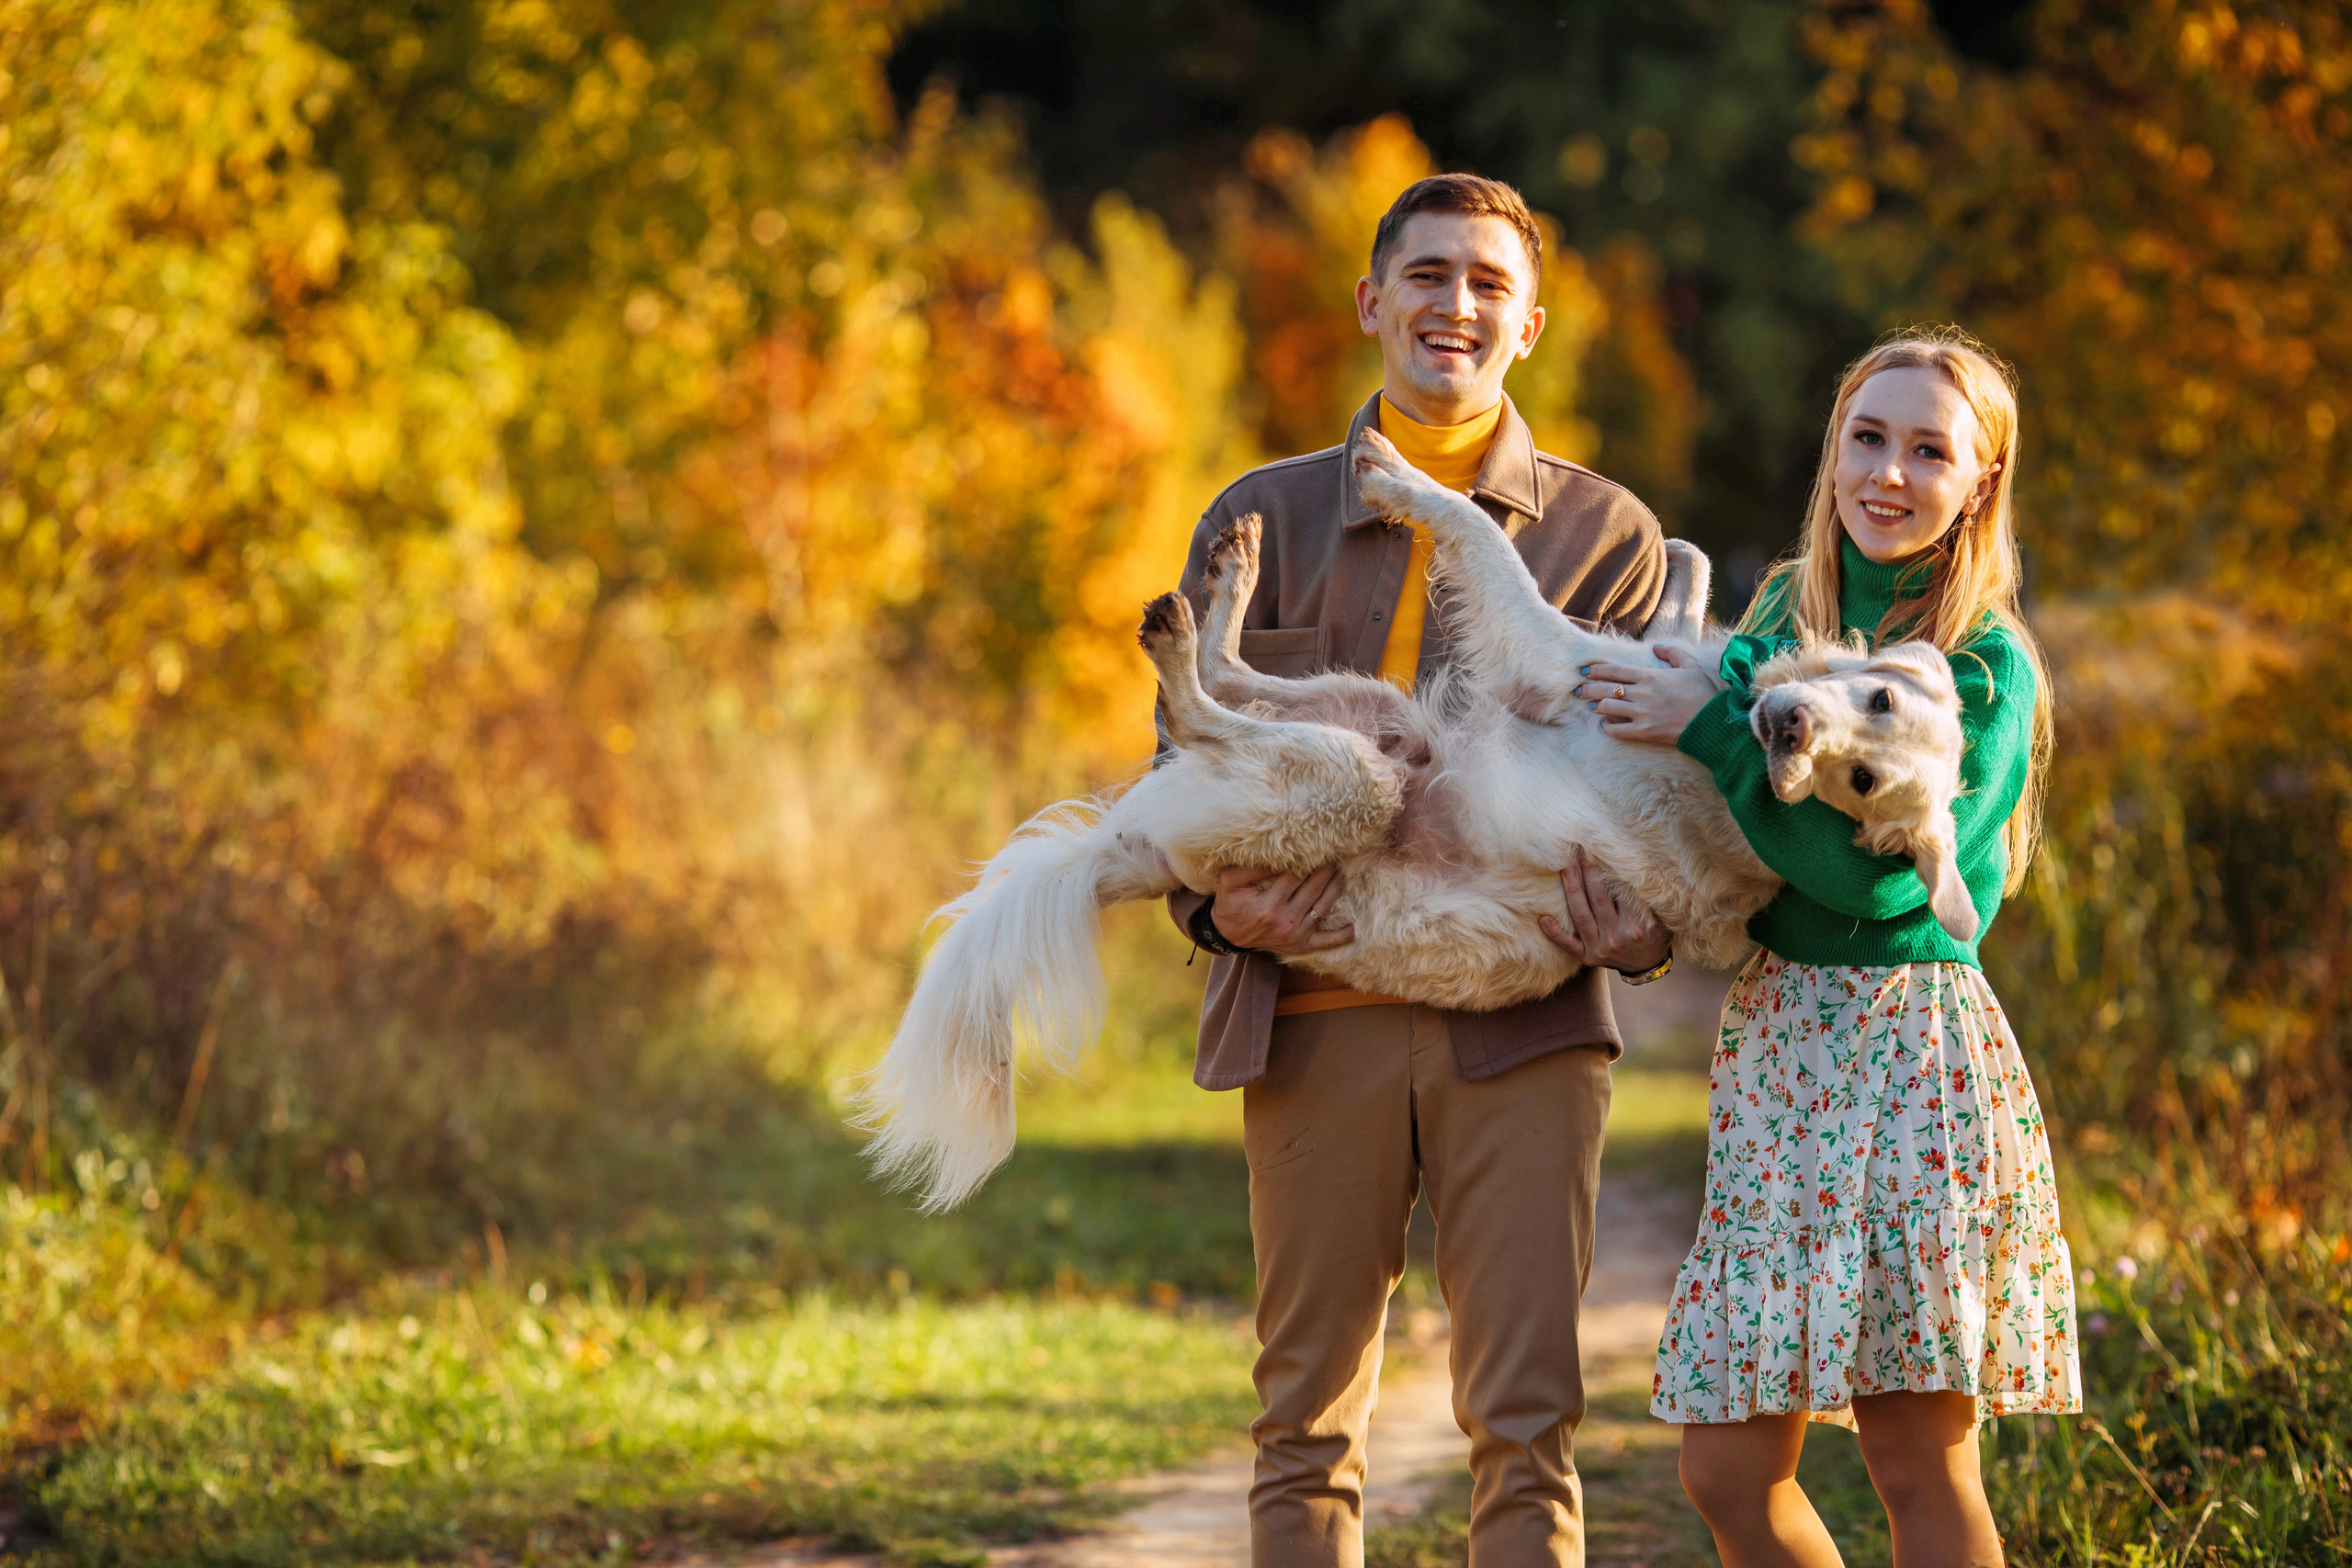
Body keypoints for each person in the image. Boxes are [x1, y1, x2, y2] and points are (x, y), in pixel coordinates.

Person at [1164, 173, 1676, 1567]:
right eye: (1431, 274)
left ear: (1532, 326)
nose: (1457, 305)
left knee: (1524, 1422)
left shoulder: (1608, 537)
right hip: (1311, 1014)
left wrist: (1642, 940)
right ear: (1371, 300)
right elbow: (1185, 769)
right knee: (1306, 1422)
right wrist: (1213, 909)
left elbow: (1655, 803)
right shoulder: (1258, 514)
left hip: (1526, 1029)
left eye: (1489, 285)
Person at [1571, 330, 2081, 1567]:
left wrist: (1718, 735)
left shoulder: (1984, 666)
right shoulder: (1777, 621)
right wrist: (1645, 919)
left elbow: (1890, 892)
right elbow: (1729, 845)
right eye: (1868, 437)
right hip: (1782, 1050)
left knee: (1917, 1459)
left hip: (1914, 1064)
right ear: (1832, 449)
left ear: (1980, 484)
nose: (1890, 474)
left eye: (1929, 450)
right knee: (1728, 1468)